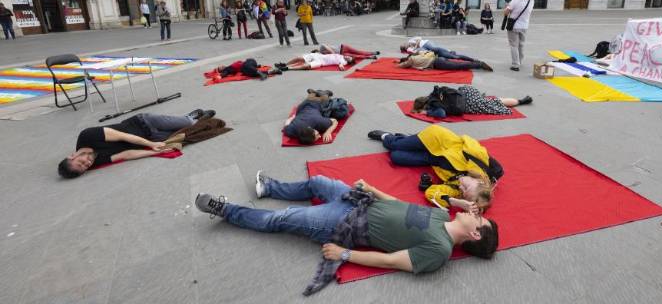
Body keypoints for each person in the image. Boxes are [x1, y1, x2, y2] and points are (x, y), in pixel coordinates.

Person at [195, 172, 498, 295]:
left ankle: (227, 210)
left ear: (474, 236)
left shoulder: (440, 250)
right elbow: (398, 204)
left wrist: (344, 254)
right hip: (359, 202)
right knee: (318, 182)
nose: (476, 213)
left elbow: (393, 261)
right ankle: (271, 188)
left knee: (282, 219)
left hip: (343, 223)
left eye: (480, 220)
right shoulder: (441, 214)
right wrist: (372, 189)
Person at [366, 125, 501, 213]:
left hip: (431, 158)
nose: (461, 189)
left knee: (396, 157)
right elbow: (467, 139)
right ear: (480, 182)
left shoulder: (456, 190)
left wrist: (456, 201)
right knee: (394, 144)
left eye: (463, 194)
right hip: (436, 139)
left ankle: (407, 140)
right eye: (467, 187)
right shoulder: (478, 160)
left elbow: (431, 192)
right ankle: (387, 136)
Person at [58, 109, 216, 178]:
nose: (87, 163)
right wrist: (154, 152)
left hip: (143, 122)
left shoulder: (87, 136)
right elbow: (126, 155)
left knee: (186, 121)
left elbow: (124, 136)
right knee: (186, 130)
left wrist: (149, 143)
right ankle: (195, 120)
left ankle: (190, 116)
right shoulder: (96, 161)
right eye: (85, 167)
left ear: (72, 156)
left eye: (80, 162)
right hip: (151, 137)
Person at [412, 85, 532, 118]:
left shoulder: (433, 105)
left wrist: (428, 113)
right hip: (467, 91)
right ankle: (519, 100)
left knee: (493, 106)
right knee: (492, 101)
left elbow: (441, 114)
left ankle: (521, 101)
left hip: (468, 103)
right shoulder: (434, 93)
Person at [504, 0, 534, 71]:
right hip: (524, 26)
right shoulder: (531, 0)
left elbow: (506, 12)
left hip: (514, 25)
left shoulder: (516, 0)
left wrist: (506, 7)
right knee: (521, 45)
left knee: (513, 45)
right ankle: (520, 61)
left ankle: (515, 64)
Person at [400, 37, 479, 62]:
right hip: (429, 52)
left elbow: (419, 39)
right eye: (405, 47)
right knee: (451, 57)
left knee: (455, 56)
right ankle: (448, 53)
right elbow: (415, 52)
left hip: (426, 43)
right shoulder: (409, 49)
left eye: (405, 45)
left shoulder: (410, 40)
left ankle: (472, 59)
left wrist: (415, 45)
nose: (406, 46)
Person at [398, 51, 493, 72]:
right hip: (438, 59)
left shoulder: (411, 60)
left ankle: (479, 64)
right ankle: (477, 63)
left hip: (437, 63)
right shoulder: (417, 55)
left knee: (458, 66)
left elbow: (403, 65)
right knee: (456, 61)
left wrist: (398, 63)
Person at [214, 58, 281, 81]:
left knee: (246, 67)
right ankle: (272, 71)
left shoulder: (230, 66)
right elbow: (225, 73)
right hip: (248, 66)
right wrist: (220, 76)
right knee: (249, 74)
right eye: (220, 67)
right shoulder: (228, 69)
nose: (221, 66)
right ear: (222, 70)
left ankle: (260, 73)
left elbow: (244, 63)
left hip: (249, 61)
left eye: (220, 66)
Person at [281, 53, 355, 71]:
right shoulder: (341, 55)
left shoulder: (343, 61)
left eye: (349, 59)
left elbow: (341, 65)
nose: (348, 57)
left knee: (306, 66)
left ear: (348, 62)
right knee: (299, 58)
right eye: (349, 57)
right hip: (319, 56)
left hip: (321, 62)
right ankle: (285, 64)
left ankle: (288, 68)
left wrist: (342, 68)